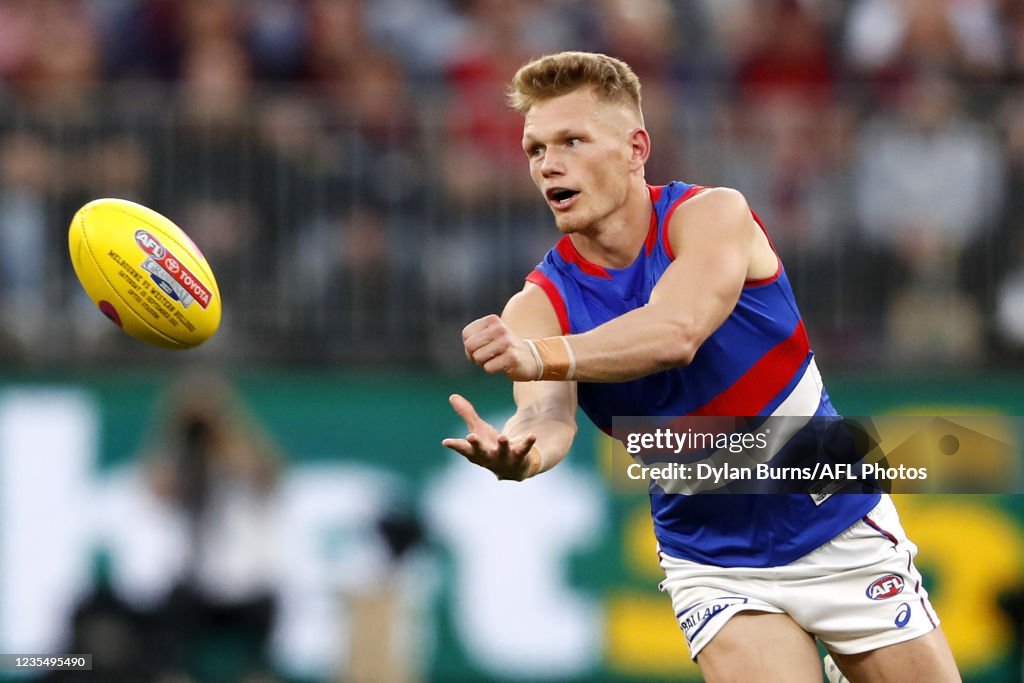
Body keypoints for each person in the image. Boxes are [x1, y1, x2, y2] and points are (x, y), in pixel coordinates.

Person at [441, 51, 961, 682]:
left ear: (636, 148)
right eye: (535, 149)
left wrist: (540, 357)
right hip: (712, 560)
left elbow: (676, 331)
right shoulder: (537, 307)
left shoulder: (713, 217)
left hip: (836, 522)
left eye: (572, 141)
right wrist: (521, 453)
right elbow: (547, 417)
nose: (549, 163)